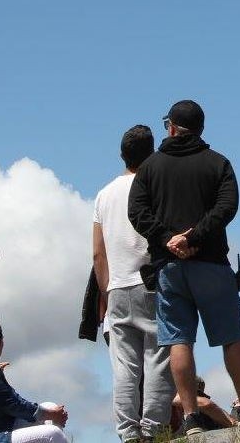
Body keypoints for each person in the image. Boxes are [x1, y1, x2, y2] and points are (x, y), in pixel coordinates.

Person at [127, 99, 240, 436]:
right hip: (212, 262)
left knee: (179, 341)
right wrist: (196, 236)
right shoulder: (218, 163)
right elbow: (227, 207)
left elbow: (137, 212)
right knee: (232, 337)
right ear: (200, 128)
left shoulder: (150, 168)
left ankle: (190, 417)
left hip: (169, 266)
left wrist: (168, 239)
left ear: (171, 127)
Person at [94, 124, 175, 443]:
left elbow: (98, 252)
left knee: (124, 366)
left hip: (117, 285)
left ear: (121, 155)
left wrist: (106, 289)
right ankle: (154, 429)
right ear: (153, 152)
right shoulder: (156, 186)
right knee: (158, 358)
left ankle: (128, 433)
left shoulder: (104, 194)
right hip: (153, 280)